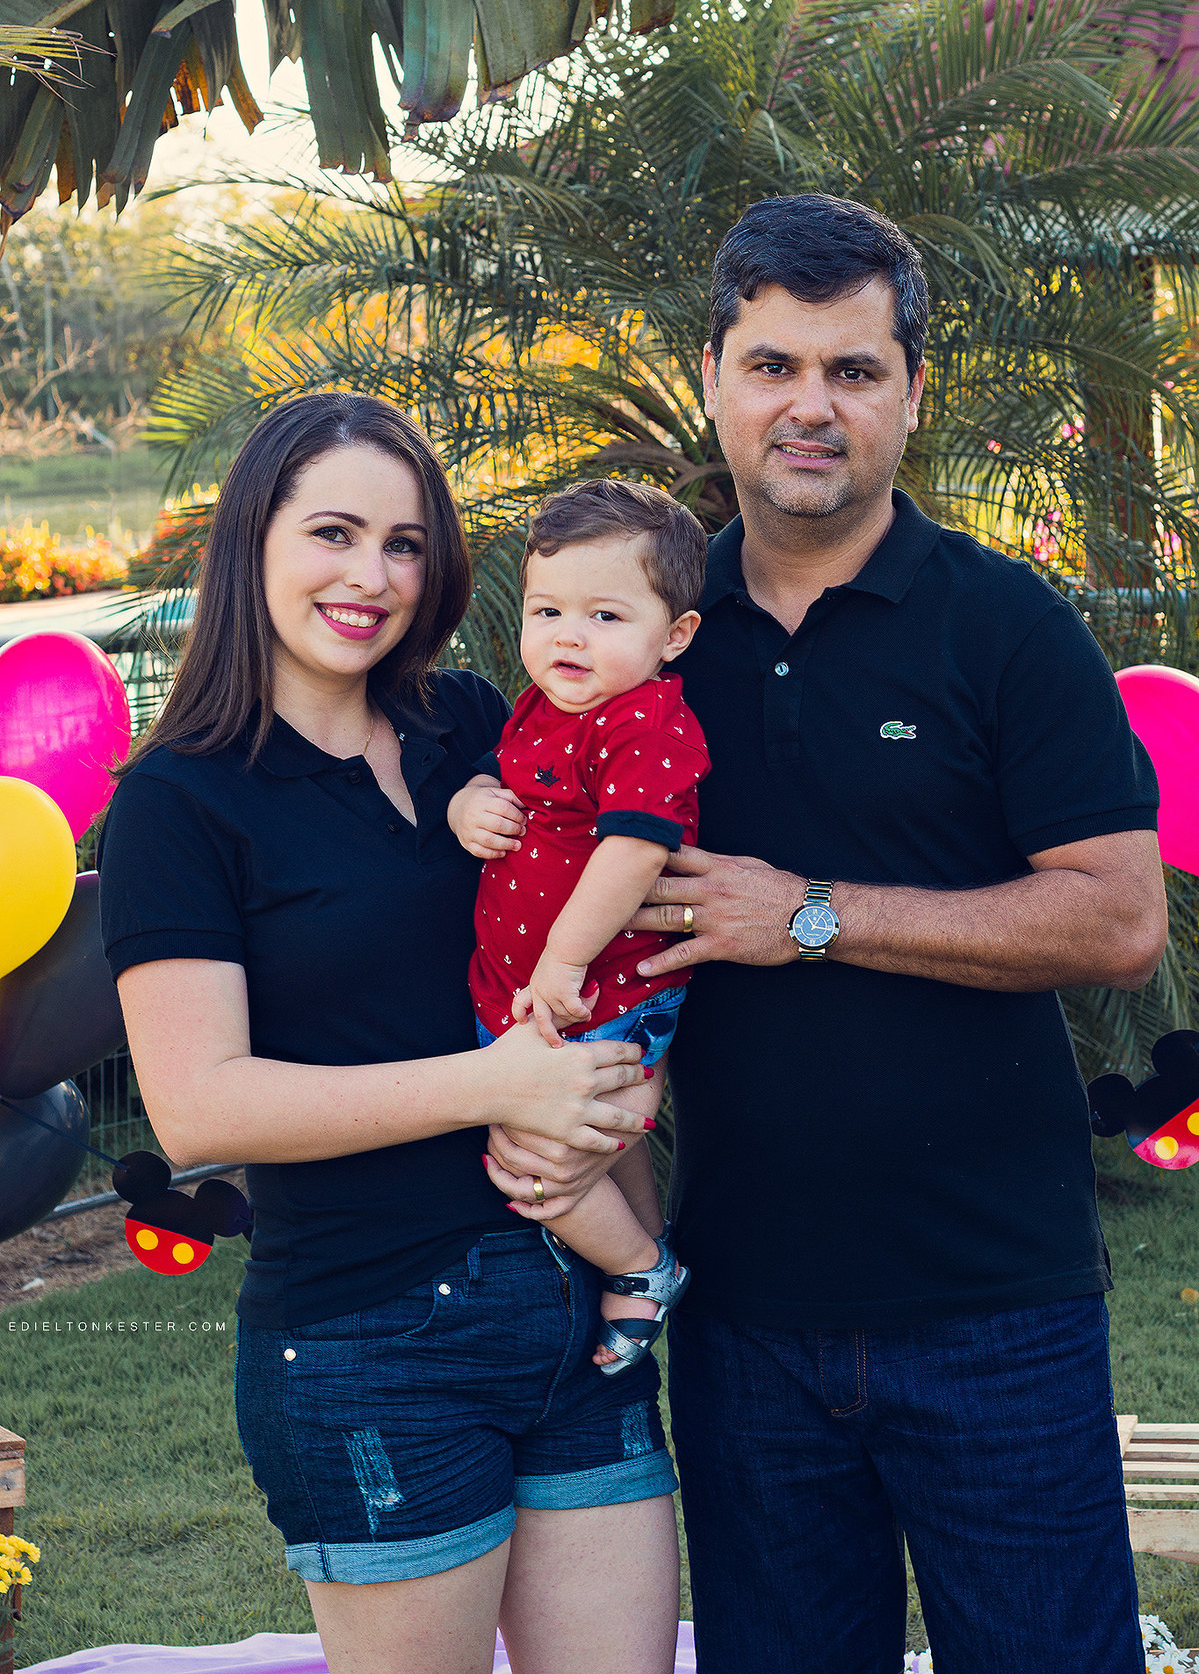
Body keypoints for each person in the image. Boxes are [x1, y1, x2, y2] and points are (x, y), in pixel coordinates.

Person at [484, 195, 1169, 1674]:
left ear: (912, 394)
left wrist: (804, 916)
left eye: (851, 371)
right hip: (742, 1313)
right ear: (714, 375)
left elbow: (1119, 918)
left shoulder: (1002, 626)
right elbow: (530, 862)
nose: (809, 405)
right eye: (773, 365)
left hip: (993, 1304)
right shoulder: (639, 635)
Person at [96, 394, 681, 1674]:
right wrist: (497, 1086)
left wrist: (619, 1096)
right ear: (252, 539)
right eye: (335, 533)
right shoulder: (177, 802)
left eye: (407, 544)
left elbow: (632, 886)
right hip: (372, 1345)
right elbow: (201, 1109)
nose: (372, 577)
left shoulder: (479, 723)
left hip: (578, 1311)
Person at [449, 479, 709, 1373]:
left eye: (604, 615)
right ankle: (636, 1249)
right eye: (548, 609)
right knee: (568, 1152)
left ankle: (642, 1269)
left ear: (672, 636)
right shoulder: (537, 708)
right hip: (526, 992)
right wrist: (467, 804)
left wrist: (562, 961)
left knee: (535, 1172)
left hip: (600, 992)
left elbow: (636, 850)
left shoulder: (648, 722)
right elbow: (500, 782)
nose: (568, 634)